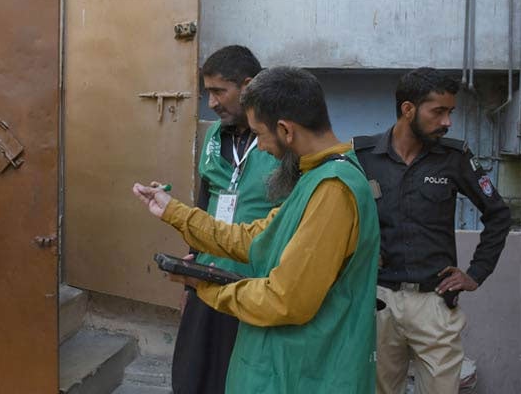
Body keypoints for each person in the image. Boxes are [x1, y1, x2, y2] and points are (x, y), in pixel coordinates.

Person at [133, 67, 381, 393]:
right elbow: (253, 238)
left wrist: (206, 288)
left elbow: (285, 300)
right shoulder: (315, 178)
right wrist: (173, 211)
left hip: (306, 375)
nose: (261, 148)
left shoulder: (333, 190)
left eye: (260, 135)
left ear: (285, 130)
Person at [353, 68, 512, 394]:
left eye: (450, 112)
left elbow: (498, 215)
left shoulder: (454, 158)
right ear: (408, 109)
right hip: (377, 300)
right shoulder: (362, 157)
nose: (447, 122)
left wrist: (476, 273)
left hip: (435, 303)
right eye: (438, 111)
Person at [172, 45, 293, 394]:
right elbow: (204, 201)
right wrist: (188, 277)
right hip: (207, 276)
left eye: (218, 91)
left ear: (248, 86)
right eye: (207, 91)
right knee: (193, 374)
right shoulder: (214, 136)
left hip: (254, 283)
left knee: (239, 375)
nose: (211, 102)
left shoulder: (283, 141)